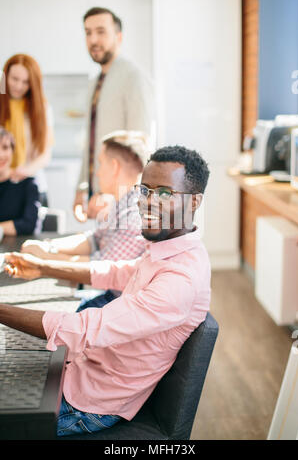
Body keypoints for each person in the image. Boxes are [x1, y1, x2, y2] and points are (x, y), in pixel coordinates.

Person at [3, 145, 210, 437]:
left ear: (194, 202)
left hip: (88, 402)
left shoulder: (181, 278)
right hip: (82, 366)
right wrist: (43, 266)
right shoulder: (167, 249)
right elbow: (115, 271)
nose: (148, 202)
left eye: (164, 194)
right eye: (145, 190)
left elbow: (87, 328)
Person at [20, 130, 149, 311]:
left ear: (114, 167)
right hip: (111, 296)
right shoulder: (122, 201)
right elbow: (94, 239)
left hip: (120, 305)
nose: (97, 173)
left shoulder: (134, 213)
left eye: (100, 163)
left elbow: (101, 268)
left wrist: (44, 259)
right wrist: (49, 247)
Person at [73, 7, 155, 222]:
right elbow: (89, 144)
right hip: (99, 195)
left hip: (120, 200)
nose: (93, 39)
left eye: (101, 31)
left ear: (118, 37)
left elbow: (140, 144)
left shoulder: (133, 77)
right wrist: (82, 187)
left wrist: (115, 195)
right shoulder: (95, 83)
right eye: (88, 33)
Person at [0, 54, 54, 206]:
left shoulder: (42, 109)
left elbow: (45, 154)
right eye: (14, 79)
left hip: (32, 186)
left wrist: (25, 171)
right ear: (5, 77)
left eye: (25, 82)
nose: (18, 86)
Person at [0, 126, 39, 236]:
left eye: (5, 147)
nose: (1, 155)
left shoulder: (28, 184)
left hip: (19, 248)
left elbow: (28, 225)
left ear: (12, 151)